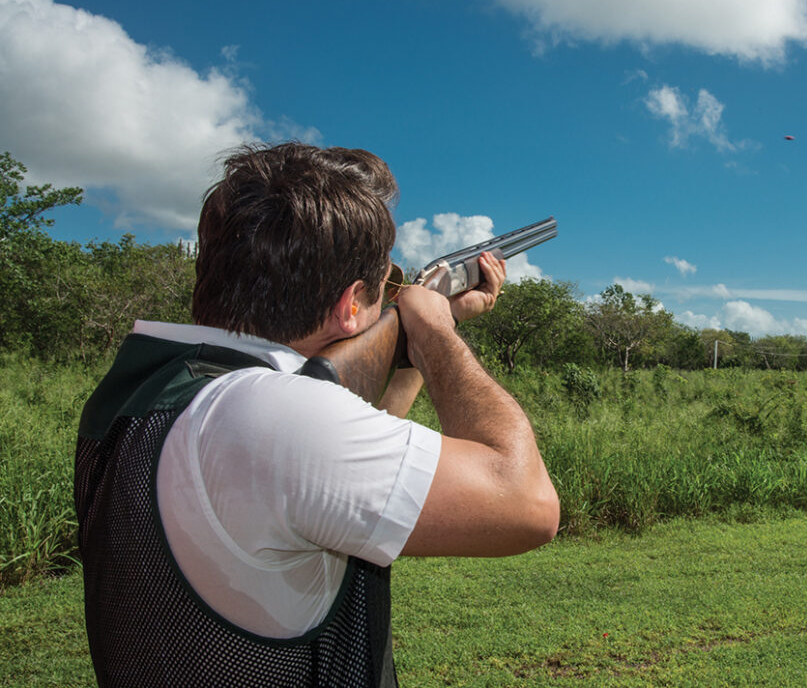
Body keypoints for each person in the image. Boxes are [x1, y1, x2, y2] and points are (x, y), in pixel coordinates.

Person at [74, 142, 559, 687]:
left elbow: (355, 427)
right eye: (386, 283)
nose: (392, 297)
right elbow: (526, 504)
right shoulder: (265, 415)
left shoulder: (154, 388)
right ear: (351, 305)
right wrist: (436, 332)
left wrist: (417, 343)